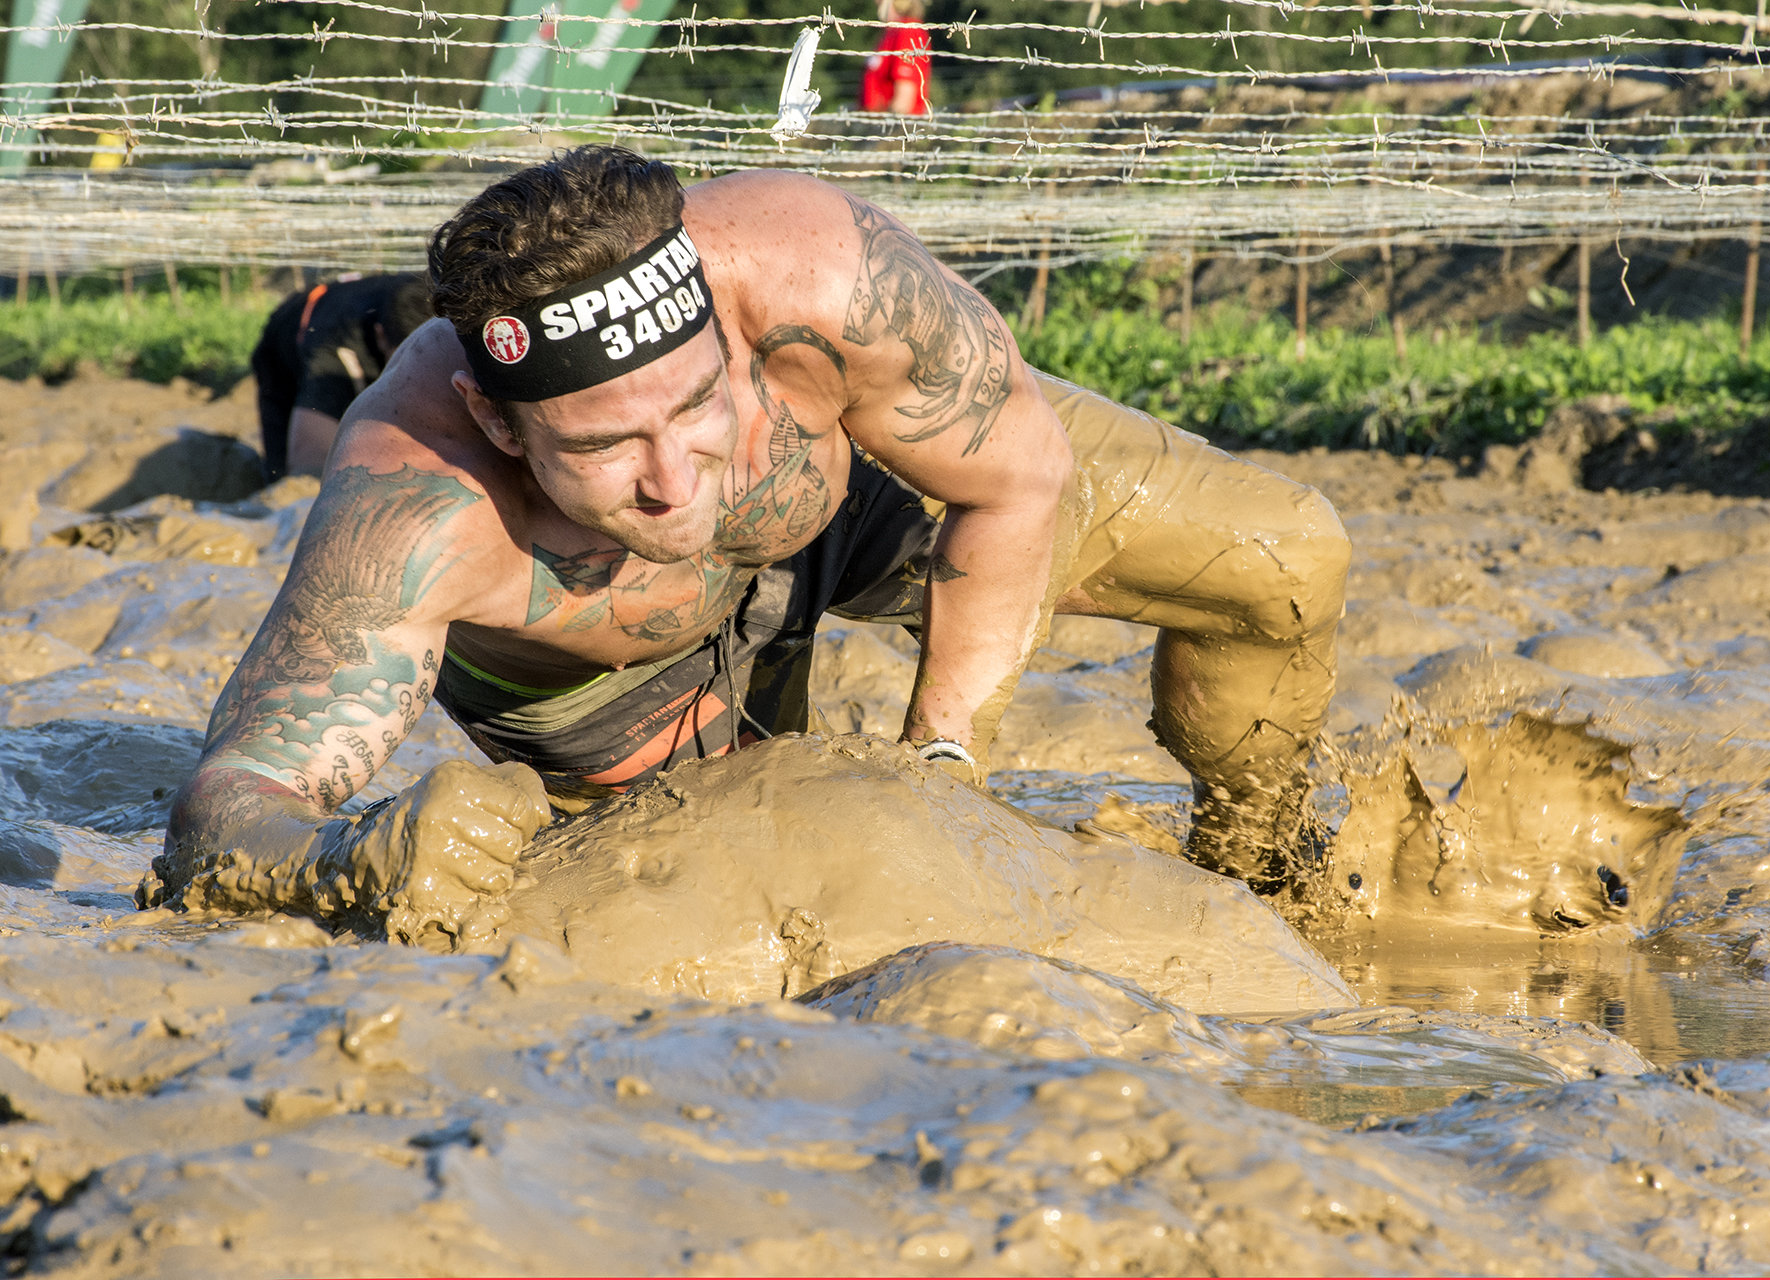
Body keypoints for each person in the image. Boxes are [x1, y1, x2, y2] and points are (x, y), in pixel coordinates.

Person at [145, 146, 1349, 947]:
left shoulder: (820, 280)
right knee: (723, 926)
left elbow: (1020, 478)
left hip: (850, 496)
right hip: (612, 676)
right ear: (496, 421)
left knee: (1287, 558)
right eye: (605, 446)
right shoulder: (412, 500)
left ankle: (1261, 864)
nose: (673, 483)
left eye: (693, 405)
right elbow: (230, 799)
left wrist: (944, 754)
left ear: (730, 327)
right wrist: (352, 856)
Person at [251, 272, 435, 481]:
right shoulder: (335, 355)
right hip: (288, 341)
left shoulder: (442, 312)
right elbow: (308, 464)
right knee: (284, 470)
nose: (420, 372)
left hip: (364, 305)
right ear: (382, 338)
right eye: (410, 363)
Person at [861, 0, 931, 116]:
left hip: (897, 126)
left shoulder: (908, 30)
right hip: (877, 121)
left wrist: (888, 128)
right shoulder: (891, 32)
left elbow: (904, 98)